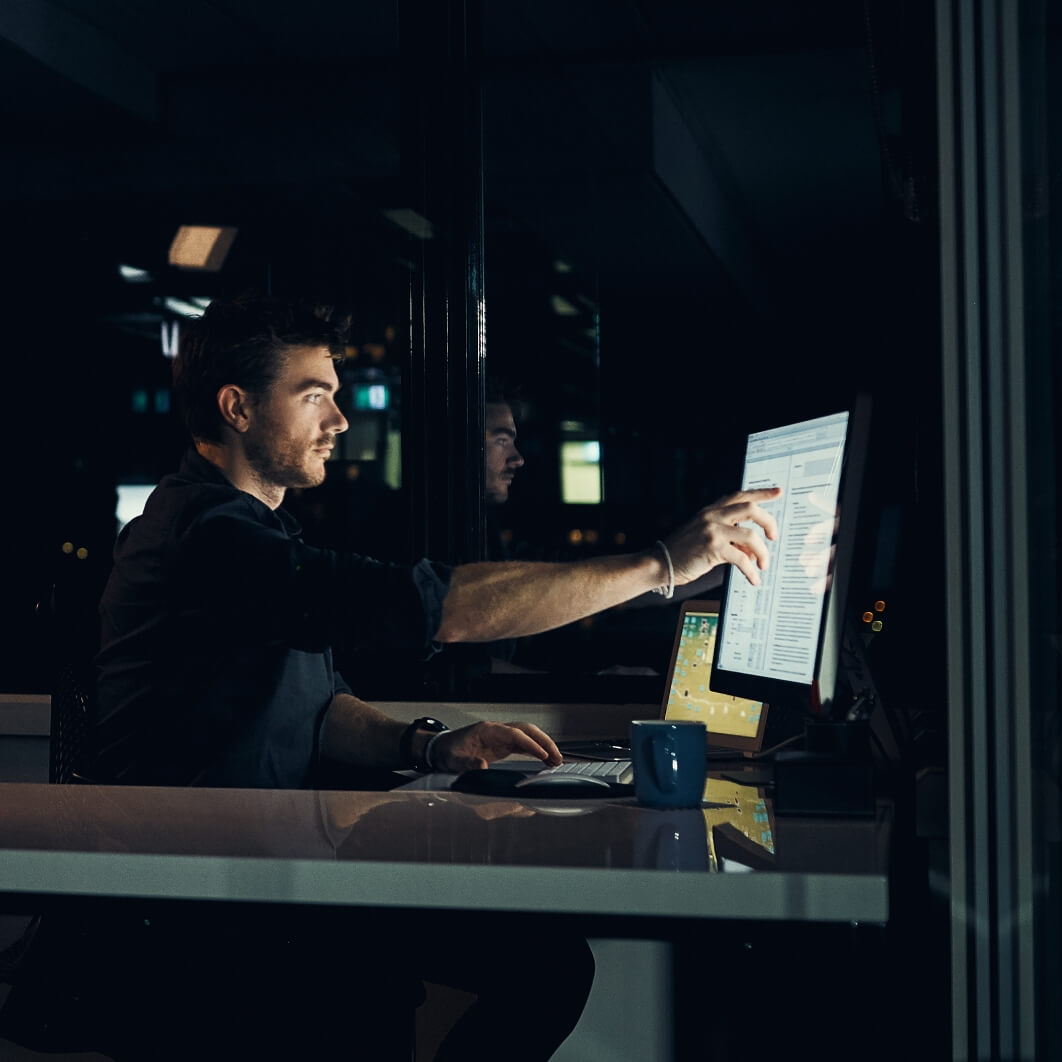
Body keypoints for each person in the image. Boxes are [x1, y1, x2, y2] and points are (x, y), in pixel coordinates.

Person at [80, 293, 780, 1059]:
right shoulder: (208, 539)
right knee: (535, 969)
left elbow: (315, 709)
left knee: (543, 964)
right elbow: (441, 610)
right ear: (237, 407)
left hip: (266, 877)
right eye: (314, 395)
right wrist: (661, 565)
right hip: (204, 911)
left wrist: (429, 746)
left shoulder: (253, 531)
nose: (340, 421)